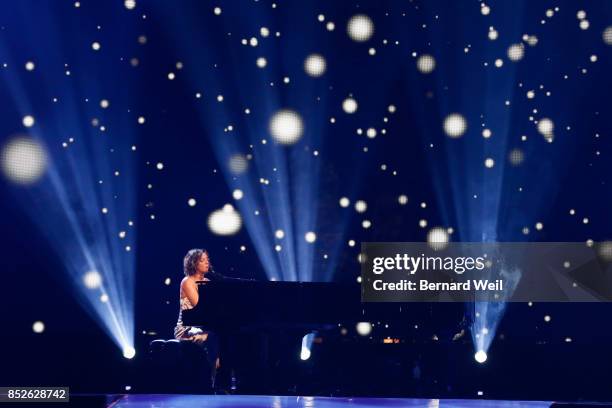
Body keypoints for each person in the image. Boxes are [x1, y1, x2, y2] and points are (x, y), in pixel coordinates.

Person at [174, 248, 220, 386]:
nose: (207, 263)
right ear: (194, 263)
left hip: (204, 326)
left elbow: (216, 308)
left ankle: (217, 380)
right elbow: (200, 308)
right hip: (187, 328)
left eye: (207, 260)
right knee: (214, 336)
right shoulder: (187, 282)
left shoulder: (208, 281)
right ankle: (210, 381)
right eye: (202, 260)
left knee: (225, 333)